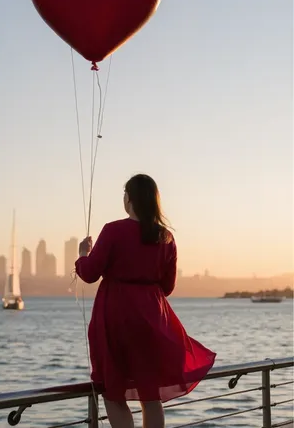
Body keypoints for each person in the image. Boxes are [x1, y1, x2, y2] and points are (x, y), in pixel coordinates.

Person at [75, 174, 216, 428]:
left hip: (116, 318)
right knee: (151, 396)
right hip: (152, 319)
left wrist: (83, 255)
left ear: (129, 199)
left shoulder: (113, 230)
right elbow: (168, 287)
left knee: (113, 392)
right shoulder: (166, 238)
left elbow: (89, 274)